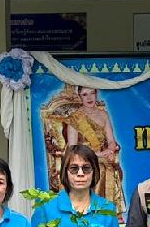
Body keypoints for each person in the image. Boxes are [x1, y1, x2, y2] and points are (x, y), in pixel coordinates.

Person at [41, 85, 127, 219]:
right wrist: (96, 155)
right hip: (82, 158)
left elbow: (111, 141)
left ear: (96, 94)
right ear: (79, 96)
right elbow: (73, 148)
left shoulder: (103, 115)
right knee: (99, 169)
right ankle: (91, 214)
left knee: (109, 167)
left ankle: (110, 216)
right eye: (85, 94)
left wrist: (110, 150)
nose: (89, 97)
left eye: (92, 93)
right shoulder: (75, 118)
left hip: (102, 156)